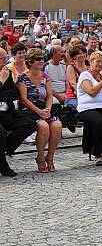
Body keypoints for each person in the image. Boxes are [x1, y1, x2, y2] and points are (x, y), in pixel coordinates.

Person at [17, 47, 62, 173]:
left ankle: (50, 157)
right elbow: (24, 99)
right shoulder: (22, 77)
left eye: (42, 59)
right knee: (44, 126)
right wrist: (39, 112)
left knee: (57, 125)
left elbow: (49, 96)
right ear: (30, 62)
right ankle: (40, 157)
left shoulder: (45, 77)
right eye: (38, 59)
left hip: (43, 107)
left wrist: (47, 109)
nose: (41, 61)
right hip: (29, 109)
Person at [0, 46, 36, 177]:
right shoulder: (4, 74)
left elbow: (14, 93)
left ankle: (5, 150)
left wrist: (3, 90)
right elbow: (7, 92)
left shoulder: (5, 72)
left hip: (7, 112)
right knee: (1, 133)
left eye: (5, 57)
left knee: (30, 124)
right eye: (3, 58)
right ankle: (3, 165)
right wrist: (1, 82)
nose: (5, 60)